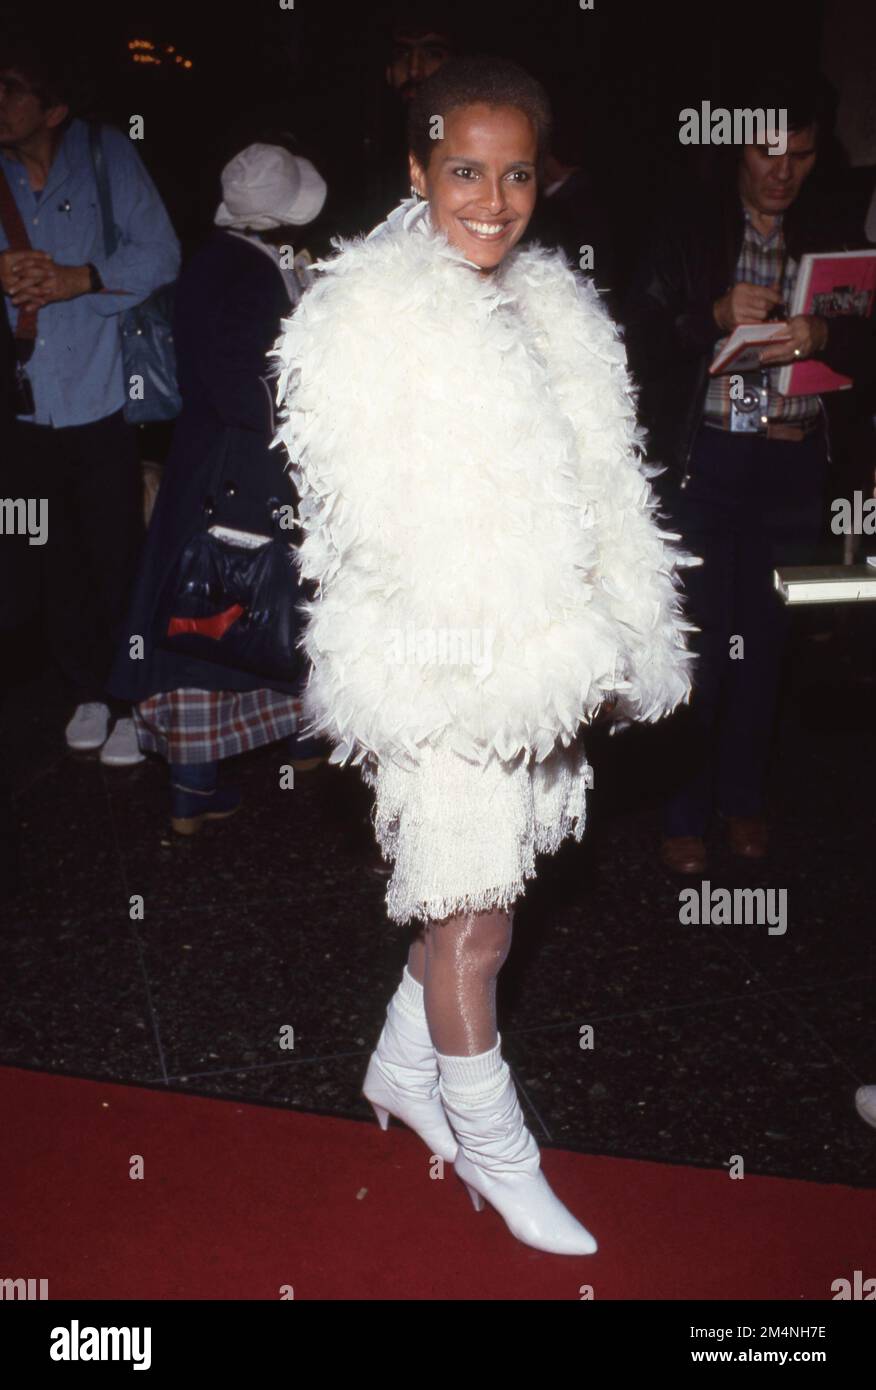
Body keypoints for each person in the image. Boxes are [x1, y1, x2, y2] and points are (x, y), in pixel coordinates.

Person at [273, 56, 694, 1256]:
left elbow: (603, 491)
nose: (495, 200)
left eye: (517, 174)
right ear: (418, 170)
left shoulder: (553, 302)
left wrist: (605, 636)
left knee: (487, 896)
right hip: (446, 670)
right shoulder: (365, 310)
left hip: (543, 664)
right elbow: (373, 525)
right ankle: (500, 1151)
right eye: (465, 170)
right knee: (476, 922)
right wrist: (506, 651)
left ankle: (401, 1072)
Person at [622, 72, 876, 876]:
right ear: (736, 142)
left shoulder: (833, 227)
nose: (782, 171)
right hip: (710, 462)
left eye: (799, 155)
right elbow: (635, 342)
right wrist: (712, 318)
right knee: (699, 640)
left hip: (794, 463)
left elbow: (867, 344)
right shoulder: (688, 225)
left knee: (766, 641)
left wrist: (824, 337)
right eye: (768, 151)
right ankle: (685, 812)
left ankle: (745, 801)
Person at [107, 143, 327, 834]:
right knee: (230, 605)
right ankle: (209, 781)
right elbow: (244, 384)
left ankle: (203, 782)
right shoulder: (241, 272)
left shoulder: (229, 257)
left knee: (215, 611)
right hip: (242, 465)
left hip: (214, 461)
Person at [0, 38, 180, 766]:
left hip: (104, 399)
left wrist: (80, 278)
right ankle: (86, 690)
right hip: (20, 405)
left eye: (11, 88)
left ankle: (136, 698)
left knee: (117, 555)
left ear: (54, 107)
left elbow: (163, 253)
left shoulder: (105, 155)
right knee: (47, 554)